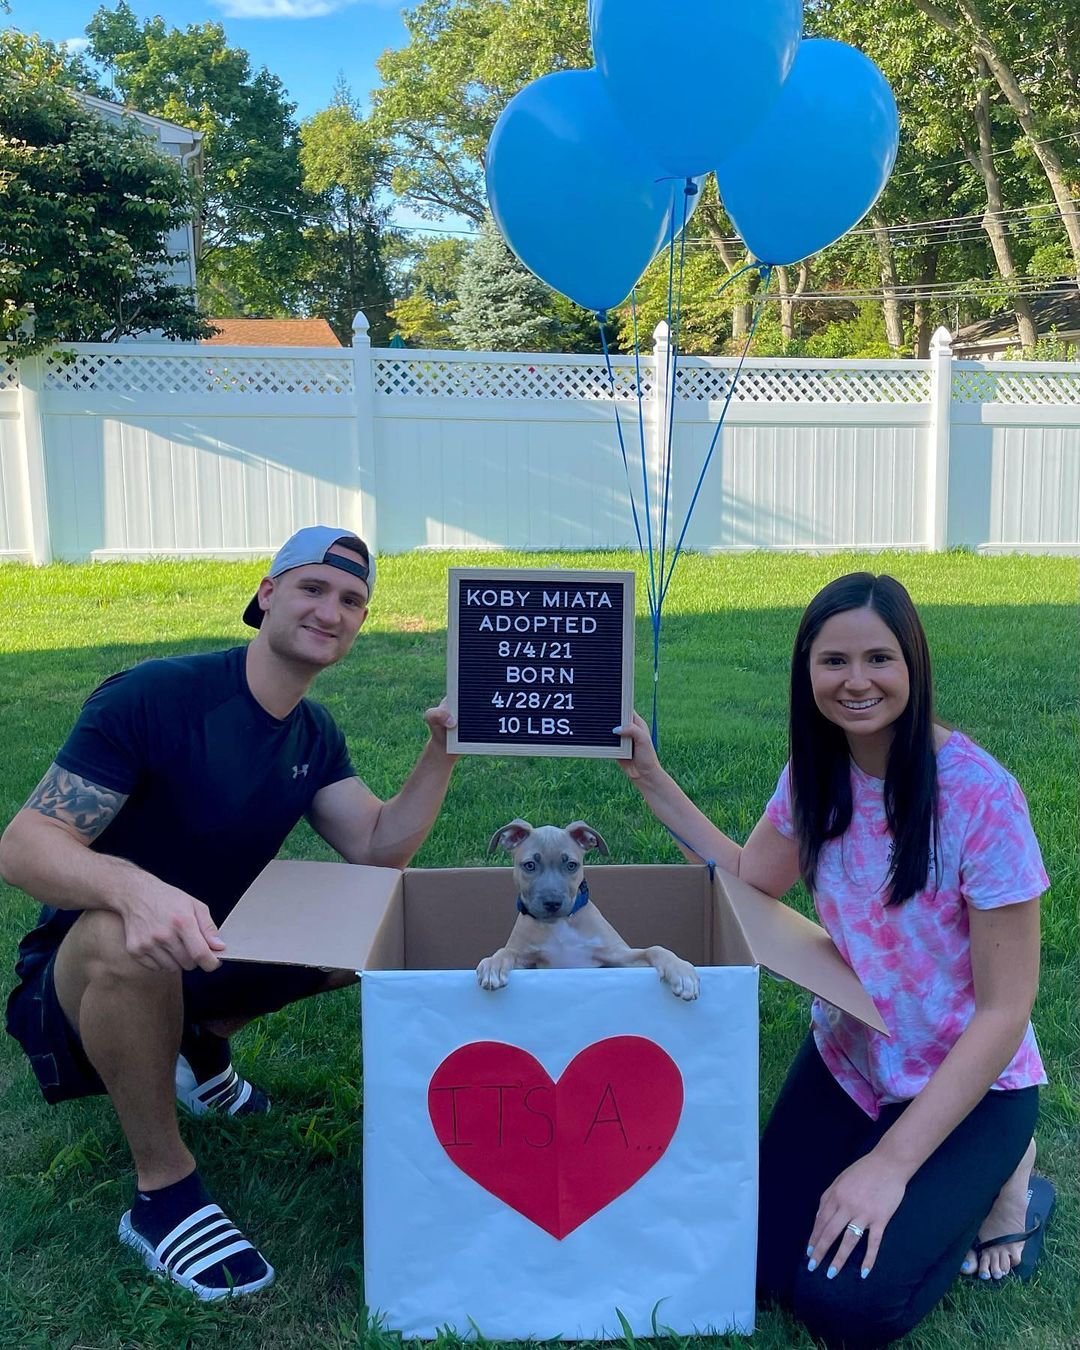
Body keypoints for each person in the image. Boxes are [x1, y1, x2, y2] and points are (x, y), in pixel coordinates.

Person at [2, 526, 459, 1302]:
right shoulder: (157, 695)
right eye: (313, 588)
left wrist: (444, 747)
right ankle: (163, 1191)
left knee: (385, 918)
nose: (332, 611)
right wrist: (130, 886)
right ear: (266, 593)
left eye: (352, 601)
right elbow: (24, 845)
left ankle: (201, 1049)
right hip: (85, 975)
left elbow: (378, 851)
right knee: (125, 932)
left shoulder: (312, 734)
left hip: (207, 952)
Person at [614, 572, 1051, 1350]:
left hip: (972, 1081)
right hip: (855, 1056)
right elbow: (752, 880)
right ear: (806, 670)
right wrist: (650, 776)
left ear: (912, 665)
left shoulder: (983, 798)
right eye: (833, 661)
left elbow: (1005, 1011)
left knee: (846, 1309)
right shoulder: (816, 778)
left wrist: (889, 1164)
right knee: (762, 1269)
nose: (856, 682)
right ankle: (927, 1173)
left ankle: (1009, 1185)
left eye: (879, 659)